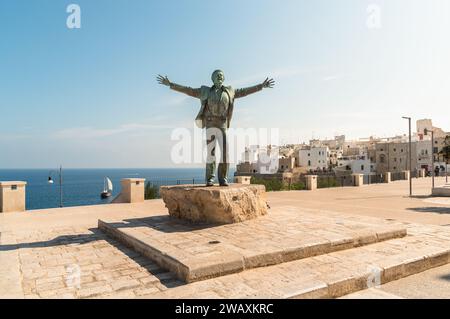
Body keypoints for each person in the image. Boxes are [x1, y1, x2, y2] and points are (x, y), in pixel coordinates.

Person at [157, 70, 274, 186]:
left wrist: (261, 86)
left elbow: (244, 92)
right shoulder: (205, 91)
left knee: (225, 153)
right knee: (211, 153)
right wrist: (171, 84)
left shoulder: (230, 91)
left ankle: (223, 178)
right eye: (217, 75)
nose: (220, 77)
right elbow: (189, 90)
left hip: (222, 124)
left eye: (222, 75)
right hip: (210, 123)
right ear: (212, 79)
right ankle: (210, 179)